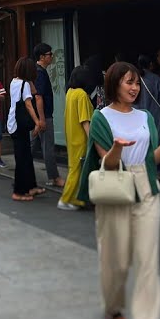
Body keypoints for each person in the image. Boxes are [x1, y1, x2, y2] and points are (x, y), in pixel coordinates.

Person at [80, 62, 160, 319]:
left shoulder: (145, 117)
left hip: (147, 189)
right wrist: (117, 147)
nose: (134, 88)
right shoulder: (101, 118)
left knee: (147, 261)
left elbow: (149, 159)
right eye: (129, 82)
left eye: (137, 83)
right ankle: (113, 305)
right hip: (115, 188)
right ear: (114, 84)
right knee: (116, 260)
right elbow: (108, 163)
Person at [58, 64, 98, 211]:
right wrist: (93, 140)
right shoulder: (81, 94)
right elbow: (85, 121)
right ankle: (65, 199)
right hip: (80, 139)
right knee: (76, 170)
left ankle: (75, 198)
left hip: (71, 136)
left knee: (74, 168)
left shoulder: (70, 92)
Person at [7, 57, 43, 201]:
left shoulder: (14, 82)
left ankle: (30, 186)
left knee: (26, 156)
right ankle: (19, 191)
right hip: (19, 124)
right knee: (22, 158)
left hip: (13, 122)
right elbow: (28, 104)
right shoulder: (25, 84)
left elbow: (33, 91)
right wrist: (37, 122)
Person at [32, 43, 62, 188]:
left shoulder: (37, 71)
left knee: (31, 146)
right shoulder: (40, 73)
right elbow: (39, 96)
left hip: (37, 116)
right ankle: (55, 177)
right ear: (42, 57)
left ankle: (23, 175)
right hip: (43, 116)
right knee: (48, 147)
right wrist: (42, 119)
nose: (52, 57)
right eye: (50, 54)